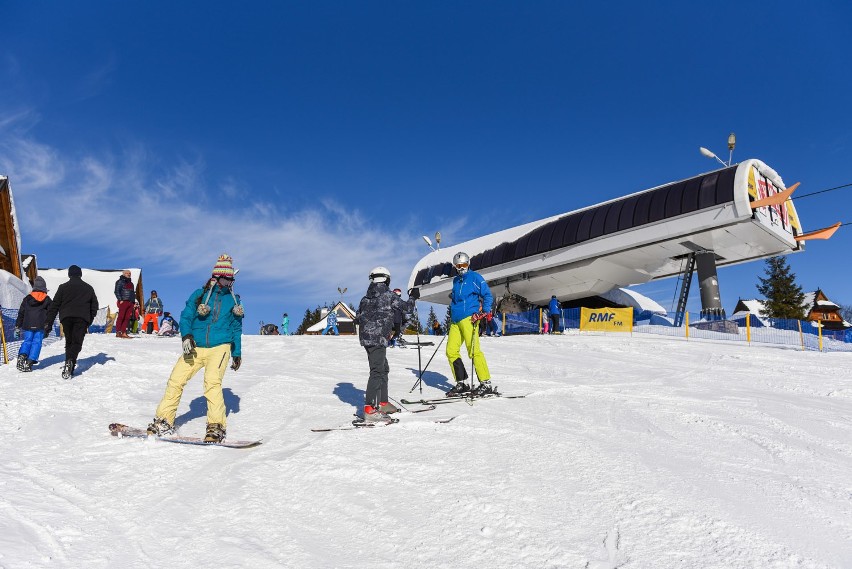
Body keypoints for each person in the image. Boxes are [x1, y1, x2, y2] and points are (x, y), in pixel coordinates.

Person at [147, 254, 244, 443]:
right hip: (195, 345)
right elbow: (186, 316)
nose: (229, 283)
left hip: (220, 346)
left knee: (212, 383)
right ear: (216, 278)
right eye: (226, 279)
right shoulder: (199, 295)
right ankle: (164, 421)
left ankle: (216, 426)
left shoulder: (234, 301)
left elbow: (236, 327)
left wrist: (237, 352)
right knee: (176, 379)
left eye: (231, 279)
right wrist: (187, 336)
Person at [353, 266, 418, 423]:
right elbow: (407, 308)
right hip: (378, 338)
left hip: (367, 339)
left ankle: (382, 403)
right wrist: (413, 297)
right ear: (387, 279)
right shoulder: (388, 296)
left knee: (383, 368)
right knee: (376, 371)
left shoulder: (365, 299)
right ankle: (370, 409)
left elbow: (357, 317)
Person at [445, 251, 495, 397]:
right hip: (455, 320)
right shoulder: (455, 281)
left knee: (473, 351)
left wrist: (483, 312)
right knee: (451, 351)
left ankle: (485, 383)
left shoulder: (475, 277)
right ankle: (462, 382)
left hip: (469, 318)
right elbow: (455, 299)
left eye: (464, 265)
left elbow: (487, 295)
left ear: (468, 264)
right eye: (458, 265)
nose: (461, 268)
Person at [44, 265, 100, 379]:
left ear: (69, 274)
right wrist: (89, 319)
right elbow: (95, 306)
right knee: (77, 343)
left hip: (66, 318)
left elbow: (54, 306)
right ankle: (70, 361)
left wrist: (48, 324)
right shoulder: (88, 288)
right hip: (82, 318)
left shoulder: (63, 287)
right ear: (80, 274)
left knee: (69, 342)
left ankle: (68, 364)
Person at [14, 276, 53, 372]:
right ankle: (30, 362)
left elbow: (21, 313)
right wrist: (48, 328)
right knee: (37, 342)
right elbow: (51, 314)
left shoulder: (27, 299)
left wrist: (18, 326)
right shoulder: (47, 299)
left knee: (27, 341)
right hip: (40, 325)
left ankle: (22, 356)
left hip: (28, 325)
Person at [114, 269, 136, 338]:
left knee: (127, 318)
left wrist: (133, 302)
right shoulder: (120, 281)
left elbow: (132, 293)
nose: (128, 274)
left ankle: (124, 332)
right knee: (121, 316)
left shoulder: (131, 283)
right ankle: (118, 332)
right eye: (127, 273)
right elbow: (116, 291)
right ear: (123, 274)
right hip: (124, 301)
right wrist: (120, 299)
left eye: (129, 273)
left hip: (130, 302)